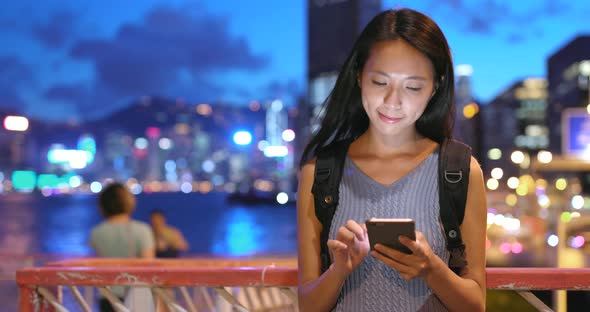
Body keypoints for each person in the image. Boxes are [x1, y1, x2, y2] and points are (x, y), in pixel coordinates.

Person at [296, 8, 487, 312]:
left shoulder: (460, 171)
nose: (392, 101)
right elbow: (307, 305)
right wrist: (340, 269)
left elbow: (475, 304)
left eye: (412, 87)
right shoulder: (320, 173)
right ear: (359, 76)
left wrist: (431, 269)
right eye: (380, 82)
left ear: (435, 87)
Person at [89, 182, 155, 312]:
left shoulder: (97, 232)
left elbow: (98, 261)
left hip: (107, 294)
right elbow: (149, 266)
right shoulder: (143, 230)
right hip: (137, 296)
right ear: (129, 202)